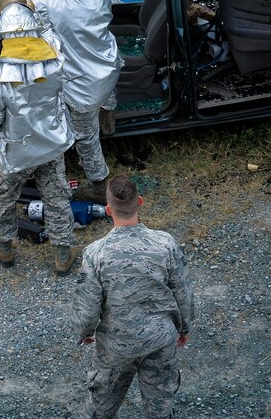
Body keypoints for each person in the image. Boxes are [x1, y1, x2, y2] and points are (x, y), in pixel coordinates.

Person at [4, 0, 121, 204]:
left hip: (82, 87)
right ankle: (109, 119)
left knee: (86, 136)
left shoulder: (51, 4)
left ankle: (100, 185)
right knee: (105, 96)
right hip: (108, 70)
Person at [72, 176, 194, 419]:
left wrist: (84, 332)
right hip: (161, 338)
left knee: (102, 404)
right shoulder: (165, 243)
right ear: (140, 201)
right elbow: (183, 290)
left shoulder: (96, 253)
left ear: (108, 210)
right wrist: (184, 327)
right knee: (160, 403)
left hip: (117, 345)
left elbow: (88, 304)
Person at [0, 0, 78, 274]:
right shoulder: (55, 61)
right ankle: (63, 251)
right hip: (51, 145)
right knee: (56, 195)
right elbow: (51, 36)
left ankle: (4, 247)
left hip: (16, 151)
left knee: (6, 197)